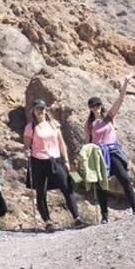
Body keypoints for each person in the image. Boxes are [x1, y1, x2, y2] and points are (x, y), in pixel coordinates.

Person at [84, 75, 135, 224]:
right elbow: (87, 142)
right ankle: (104, 216)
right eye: (93, 106)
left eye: (98, 105)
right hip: (99, 154)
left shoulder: (108, 118)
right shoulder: (89, 124)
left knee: (124, 179)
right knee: (101, 185)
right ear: (90, 108)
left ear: (101, 105)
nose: (96, 108)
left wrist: (126, 83)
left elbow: (119, 101)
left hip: (112, 151)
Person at [24, 99, 86, 231]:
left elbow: (61, 143)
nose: (40, 111)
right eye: (37, 109)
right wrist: (27, 151)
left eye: (42, 108)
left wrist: (66, 161)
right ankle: (48, 222)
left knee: (67, 187)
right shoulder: (30, 128)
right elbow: (27, 145)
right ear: (33, 111)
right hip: (38, 161)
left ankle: (77, 218)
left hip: (55, 160)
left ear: (45, 110)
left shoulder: (53, 124)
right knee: (41, 193)